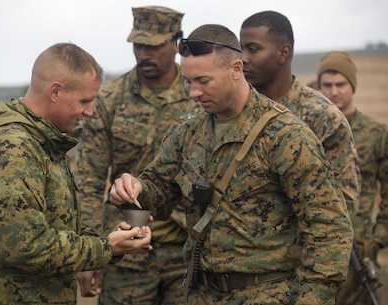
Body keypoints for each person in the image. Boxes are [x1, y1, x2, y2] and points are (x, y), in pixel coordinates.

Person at [109, 23, 354, 305]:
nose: (193, 93)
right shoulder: (187, 134)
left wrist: (314, 298)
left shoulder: (285, 136)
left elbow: (328, 226)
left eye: (203, 81)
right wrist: (134, 188)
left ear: (236, 69)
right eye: (188, 82)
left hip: (268, 294)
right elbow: (159, 189)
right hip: (200, 293)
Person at [0, 43, 152, 304]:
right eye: (84, 101)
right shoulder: (12, 149)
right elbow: (24, 246)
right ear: (55, 92)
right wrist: (105, 248)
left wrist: (109, 238)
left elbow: (56, 225)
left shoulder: (44, 143)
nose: (90, 111)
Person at [71, 6, 201, 305]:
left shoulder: (198, 95)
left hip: (186, 249)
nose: (144, 54)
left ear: (175, 44)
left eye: (153, 45)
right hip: (126, 249)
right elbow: (89, 178)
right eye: (138, 45)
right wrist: (93, 249)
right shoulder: (110, 99)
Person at [239, 10, 360, 217]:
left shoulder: (321, 116)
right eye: (240, 49)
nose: (243, 59)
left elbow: (342, 203)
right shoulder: (235, 109)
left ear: (283, 54)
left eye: (253, 49)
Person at [317, 50, 388, 305]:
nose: (334, 92)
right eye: (327, 85)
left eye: (340, 84)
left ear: (352, 86)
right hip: (315, 243)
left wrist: (377, 239)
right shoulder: (306, 130)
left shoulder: (376, 132)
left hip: (359, 246)